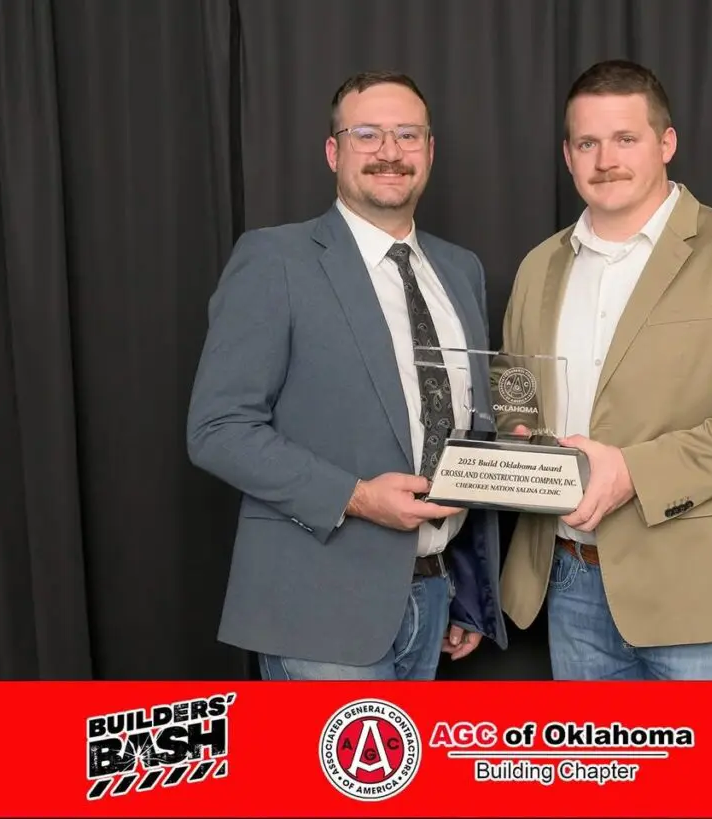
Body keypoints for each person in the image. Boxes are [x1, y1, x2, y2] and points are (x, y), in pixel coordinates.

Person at [497, 60, 712, 681]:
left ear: (666, 143)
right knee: (602, 780)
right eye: (587, 142)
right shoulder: (538, 266)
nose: (605, 160)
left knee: (708, 781)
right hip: (566, 579)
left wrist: (633, 472)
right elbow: (517, 398)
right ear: (567, 155)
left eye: (626, 139)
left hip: (696, 592)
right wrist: (518, 441)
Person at [187, 71, 507, 680]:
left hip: (434, 599)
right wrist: (357, 498)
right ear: (335, 151)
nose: (390, 152)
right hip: (318, 606)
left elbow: (458, 427)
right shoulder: (275, 259)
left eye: (407, 135)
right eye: (368, 134)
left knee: (411, 782)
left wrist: (464, 584)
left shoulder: (460, 270)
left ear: (430, 151)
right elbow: (218, 428)